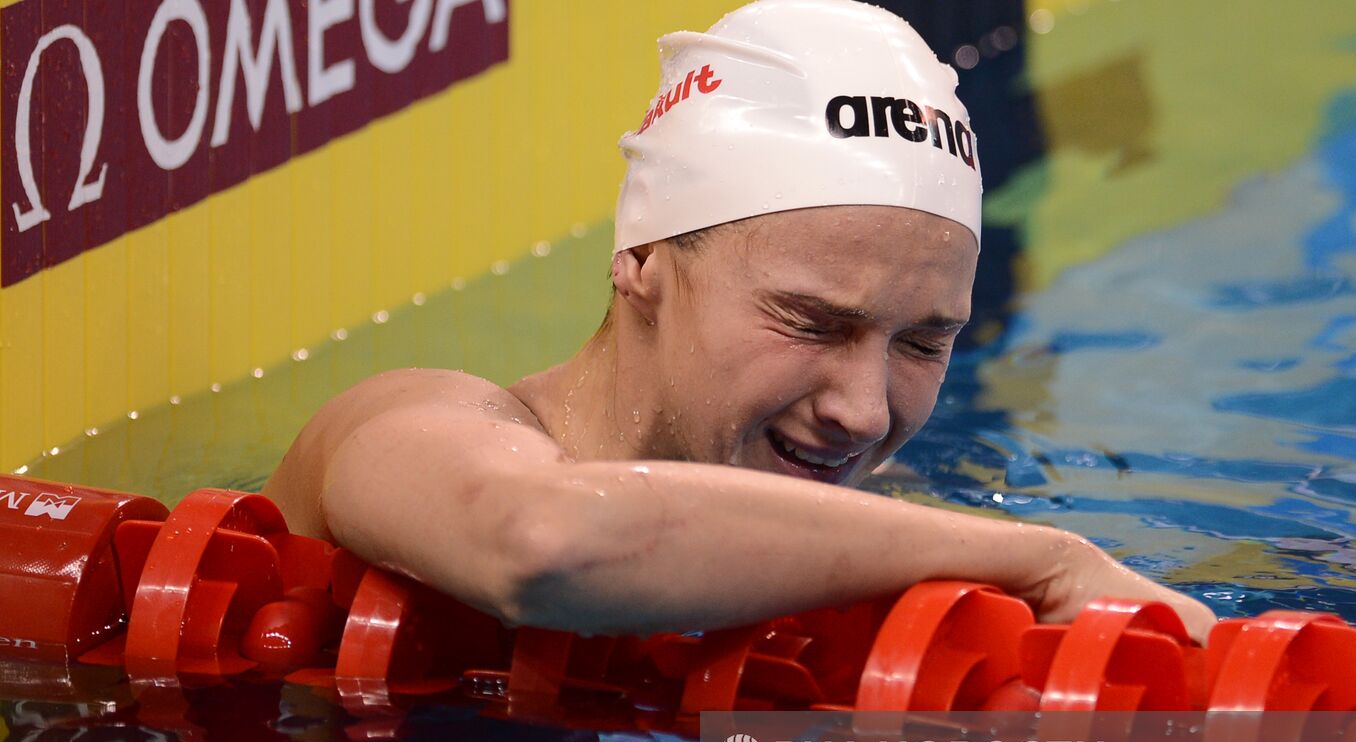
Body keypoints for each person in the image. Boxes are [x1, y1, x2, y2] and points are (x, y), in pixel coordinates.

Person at [262, 0, 1215, 641]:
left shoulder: (867, 551)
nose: (866, 411)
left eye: (924, 342)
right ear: (641, 261)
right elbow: (545, 543)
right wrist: (1047, 566)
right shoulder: (412, 424)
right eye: (813, 323)